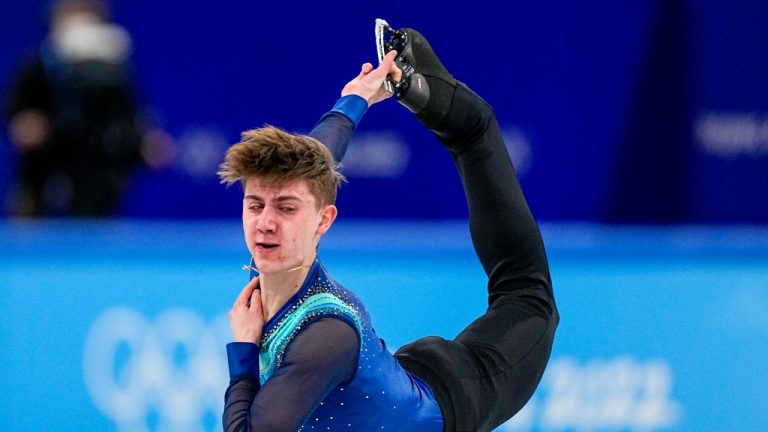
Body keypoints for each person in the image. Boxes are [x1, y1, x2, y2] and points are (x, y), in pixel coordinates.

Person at [218, 23, 559, 432]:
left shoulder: (327, 335)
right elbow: (316, 159)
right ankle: (418, 91)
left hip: (456, 398)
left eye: (286, 209)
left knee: (525, 291)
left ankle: (460, 120)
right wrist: (355, 98)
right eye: (254, 205)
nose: (265, 223)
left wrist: (243, 348)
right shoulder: (274, 245)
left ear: (323, 220)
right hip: (395, 379)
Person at [5, 0, 144, 216]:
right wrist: (24, 122)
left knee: (95, 224)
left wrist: (143, 140)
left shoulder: (114, 74)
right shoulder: (36, 67)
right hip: (43, 168)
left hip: (93, 171)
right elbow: (16, 113)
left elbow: (129, 116)